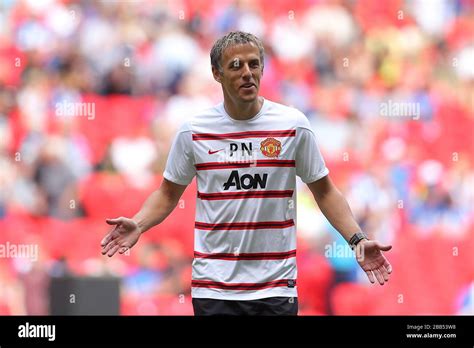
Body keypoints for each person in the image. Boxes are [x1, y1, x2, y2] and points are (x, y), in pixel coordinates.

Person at [101, 31, 392, 316]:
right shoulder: (194, 131)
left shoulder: (292, 125)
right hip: (214, 288)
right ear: (217, 73)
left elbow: (325, 191)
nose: (247, 73)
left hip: (275, 288)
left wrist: (357, 239)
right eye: (235, 66)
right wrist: (139, 224)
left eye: (254, 64)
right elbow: (167, 194)